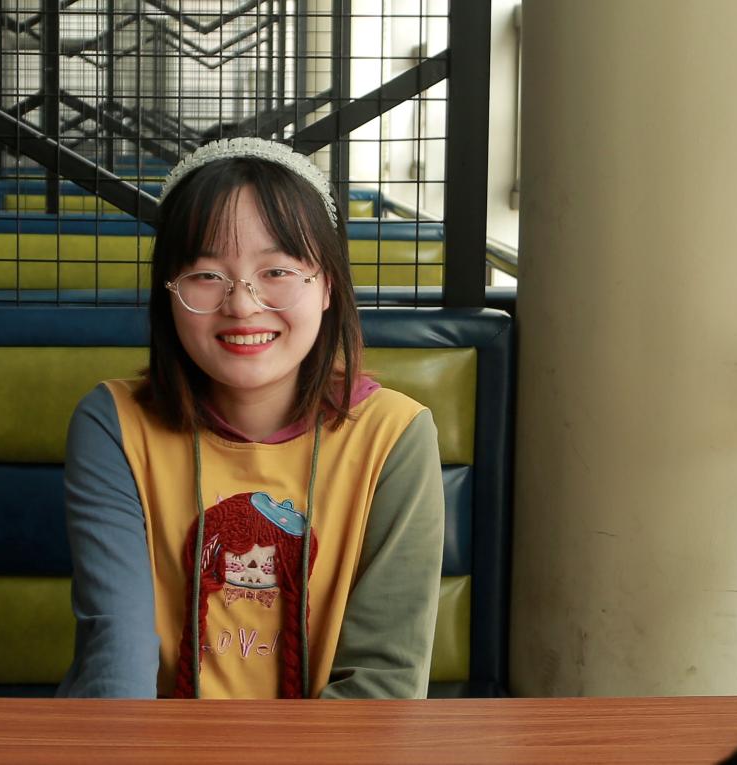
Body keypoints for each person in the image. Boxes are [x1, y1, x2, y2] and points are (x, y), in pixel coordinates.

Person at [56, 138, 445, 699]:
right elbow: (117, 654)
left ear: (328, 285)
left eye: (277, 270)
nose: (241, 305)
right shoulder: (112, 424)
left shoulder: (396, 435)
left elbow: (383, 682)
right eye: (206, 275)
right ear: (168, 292)